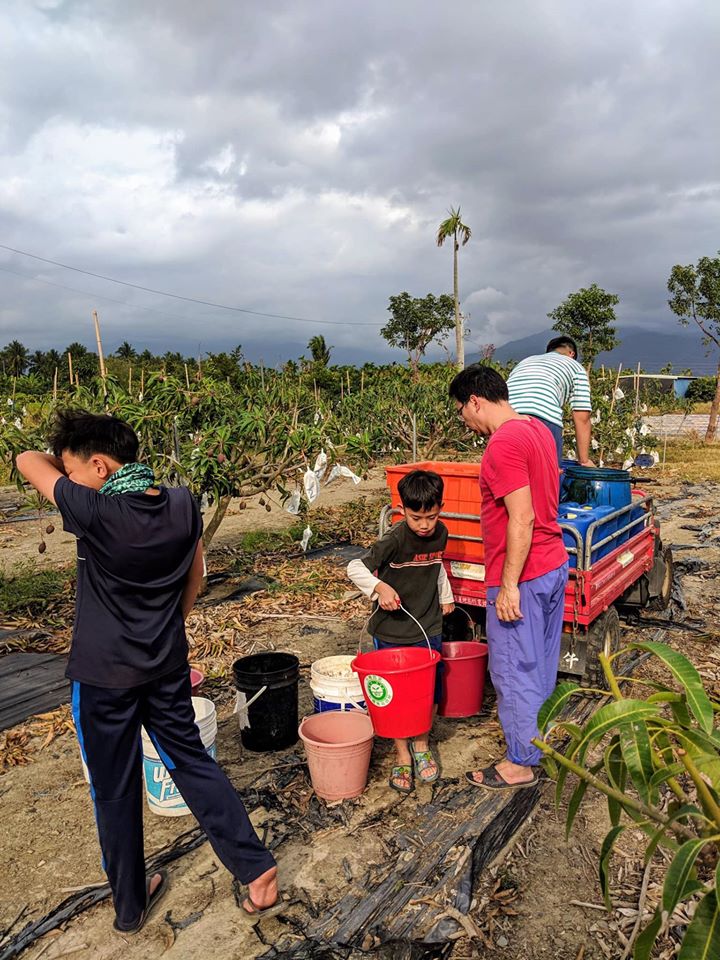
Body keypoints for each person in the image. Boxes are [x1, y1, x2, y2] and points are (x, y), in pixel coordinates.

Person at [16, 410, 278, 933]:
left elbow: (27, 460)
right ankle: (257, 869)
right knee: (193, 766)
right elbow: (196, 578)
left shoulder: (94, 512)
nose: (66, 483)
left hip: (103, 677)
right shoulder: (183, 504)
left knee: (114, 788)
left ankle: (130, 905)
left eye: (74, 471)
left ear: (98, 464)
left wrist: (67, 471)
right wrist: (169, 629)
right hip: (165, 665)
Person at [449, 365, 569, 790]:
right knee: (538, 664)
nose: (466, 422)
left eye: (463, 412)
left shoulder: (502, 444)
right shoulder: (537, 429)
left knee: (513, 669)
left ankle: (520, 763)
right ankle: (540, 742)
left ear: (475, 401)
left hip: (525, 572)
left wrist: (510, 584)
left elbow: (522, 517)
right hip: (554, 564)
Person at [347, 470, 454, 794]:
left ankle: (421, 746)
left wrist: (446, 596)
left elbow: (436, 566)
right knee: (395, 699)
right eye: (416, 517)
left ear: (441, 508)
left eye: (431, 517)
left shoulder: (441, 533)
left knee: (427, 694)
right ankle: (402, 755)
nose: (424, 525)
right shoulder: (395, 539)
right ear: (402, 510)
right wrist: (380, 588)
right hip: (392, 631)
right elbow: (355, 567)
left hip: (427, 625)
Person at [506, 335, 594, 464]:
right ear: (571, 353)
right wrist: (584, 460)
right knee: (546, 479)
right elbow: (582, 415)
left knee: (509, 476)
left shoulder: (525, 362)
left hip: (506, 419)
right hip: (543, 421)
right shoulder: (575, 366)